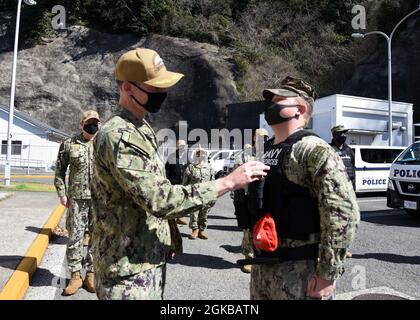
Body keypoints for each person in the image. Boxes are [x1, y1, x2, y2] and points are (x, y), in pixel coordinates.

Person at [90, 48, 269, 300]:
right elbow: (160, 200)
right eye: (154, 89)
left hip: (143, 259)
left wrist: (169, 238)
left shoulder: (140, 127)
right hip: (126, 270)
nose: (162, 94)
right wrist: (228, 182)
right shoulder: (120, 136)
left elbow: (148, 190)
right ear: (128, 88)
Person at [246, 76, 360, 300]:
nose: (271, 107)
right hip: (264, 267)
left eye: (279, 101)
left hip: (299, 274)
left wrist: (327, 275)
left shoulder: (313, 151)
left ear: (299, 109)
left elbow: (343, 215)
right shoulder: (265, 150)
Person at [54, 110, 100, 296]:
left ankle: (90, 274)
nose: (93, 125)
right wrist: (62, 193)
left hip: (98, 200)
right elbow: (59, 170)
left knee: (95, 239)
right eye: (89, 122)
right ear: (82, 124)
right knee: (74, 238)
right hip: (77, 199)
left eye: (96, 122)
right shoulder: (69, 144)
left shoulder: (103, 144)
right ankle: (75, 276)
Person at [232, 129, 269, 273]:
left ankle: (261, 252)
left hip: (265, 195)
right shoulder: (245, 154)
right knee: (248, 225)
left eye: (265, 138)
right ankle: (249, 256)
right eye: (260, 138)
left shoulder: (270, 154)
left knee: (262, 224)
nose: (262, 141)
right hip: (247, 195)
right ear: (254, 138)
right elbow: (237, 173)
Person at [182, 148, 214, 240]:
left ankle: (202, 230)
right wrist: (185, 193)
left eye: (203, 154)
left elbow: (212, 182)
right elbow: (185, 181)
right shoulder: (191, 167)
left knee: (204, 213)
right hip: (194, 192)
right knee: (194, 212)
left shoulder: (209, 167)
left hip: (206, 193)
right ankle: (194, 230)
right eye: (199, 154)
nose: (201, 156)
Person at [165, 139, 189, 225]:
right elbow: (166, 170)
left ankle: (179, 217)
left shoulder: (188, 157)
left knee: (183, 200)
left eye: (183, 145)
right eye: (180, 145)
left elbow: (190, 168)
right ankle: (172, 219)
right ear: (177, 146)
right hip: (174, 182)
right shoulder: (171, 157)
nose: (181, 147)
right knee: (174, 201)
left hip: (185, 182)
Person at [330, 125, 356, 190]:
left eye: (344, 133)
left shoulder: (349, 150)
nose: (344, 135)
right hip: (335, 188)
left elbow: (353, 166)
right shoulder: (329, 149)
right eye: (341, 133)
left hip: (349, 186)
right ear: (334, 135)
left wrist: (353, 185)